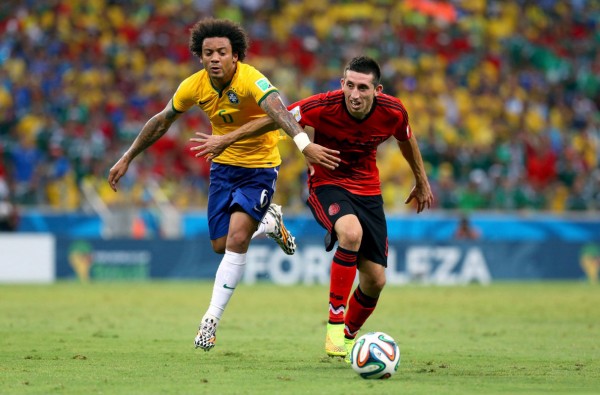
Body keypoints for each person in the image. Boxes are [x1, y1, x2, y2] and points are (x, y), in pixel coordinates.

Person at [107, 18, 340, 352]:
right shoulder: (193, 86)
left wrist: (304, 145)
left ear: (236, 56)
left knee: (237, 239)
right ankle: (270, 222)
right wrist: (127, 157)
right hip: (222, 169)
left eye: (221, 52)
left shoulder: (251, 79)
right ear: (200, 57)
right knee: (220, 244)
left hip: (259, 169)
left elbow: (278, 111)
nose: (214, 58)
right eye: (207, 52)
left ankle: (210, 322)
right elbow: (162, 120)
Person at [190, 56, 434, 361]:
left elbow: (406, 140)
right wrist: (228, 138)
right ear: (342, 83)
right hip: (327, 184)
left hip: (369, 191)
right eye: (349, 85)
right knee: (350, 232)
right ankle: (334, 326)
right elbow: (275, 117)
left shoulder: (393, 111)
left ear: (378, 90)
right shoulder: (322, 105)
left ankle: (346, 339)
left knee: (375, 281)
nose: (354, 94)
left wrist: (421, 181)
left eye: (362, 87)